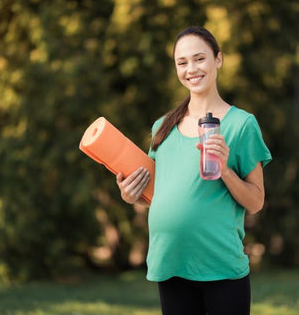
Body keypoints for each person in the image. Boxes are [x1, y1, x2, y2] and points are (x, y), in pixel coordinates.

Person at [116, 26, 272, 315]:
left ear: (218, 60)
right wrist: (130, 194)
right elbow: (155, 195)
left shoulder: (241, 124)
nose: (191, 69)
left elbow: (256, 201)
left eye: (199, 59)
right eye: (182, 62)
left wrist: (224, 169)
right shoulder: (162, 127)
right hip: (171, 264)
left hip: (221, 267)